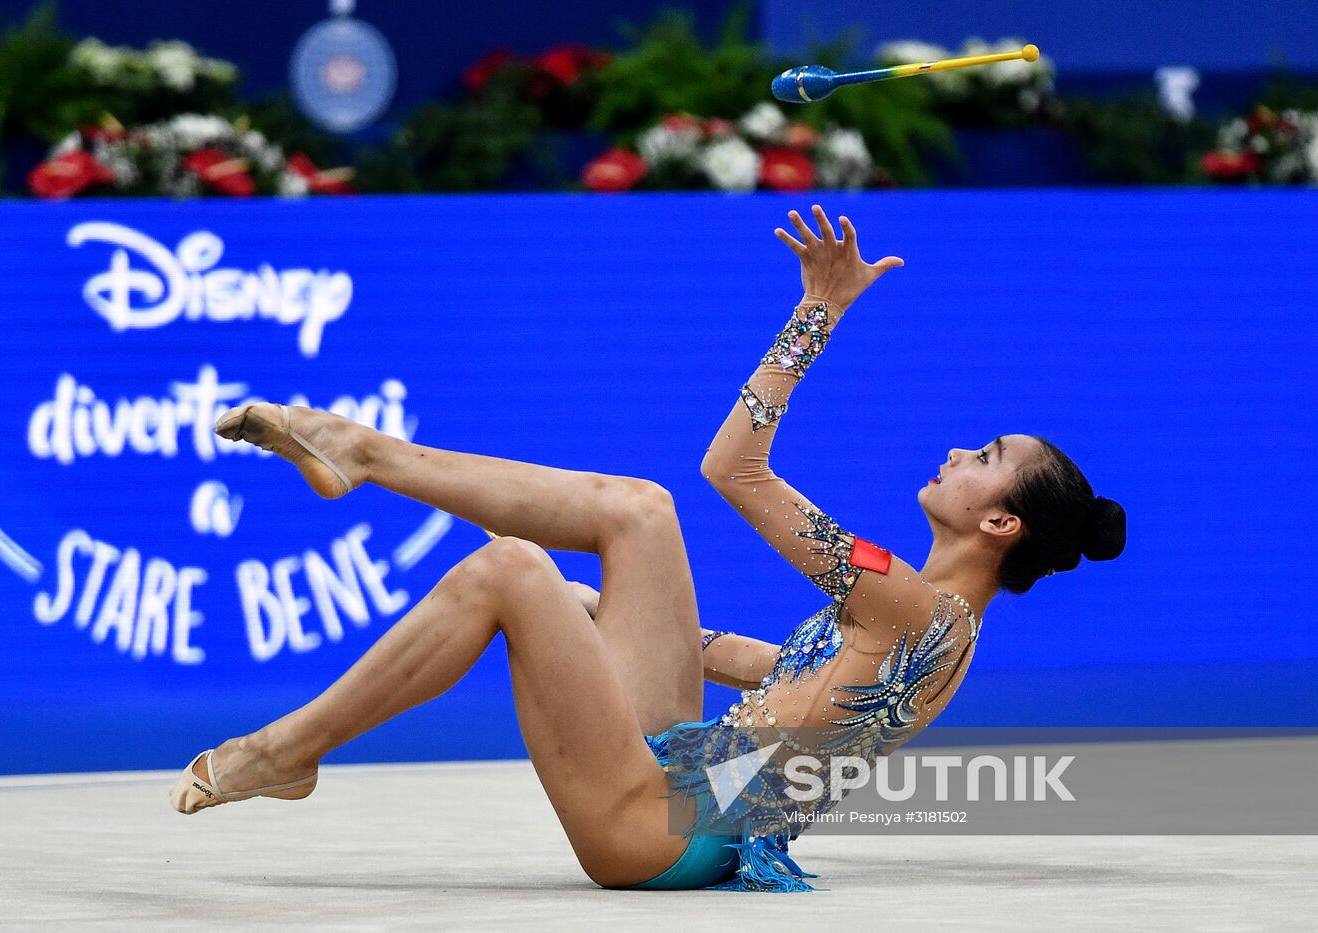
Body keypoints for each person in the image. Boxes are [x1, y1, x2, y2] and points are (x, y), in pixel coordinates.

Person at [169, 204, 1126, 892]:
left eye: (989, 458)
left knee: (511, 564)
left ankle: (283, 749)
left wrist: (820, 312)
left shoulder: (903, 601)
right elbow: (742, 665)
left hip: (663, 829)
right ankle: (365, 451)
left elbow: (738, 468)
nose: (961, 450)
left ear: (1003, 524)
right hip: (680, 787)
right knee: (637, 513)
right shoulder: (935, 632)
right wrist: (591, 621)